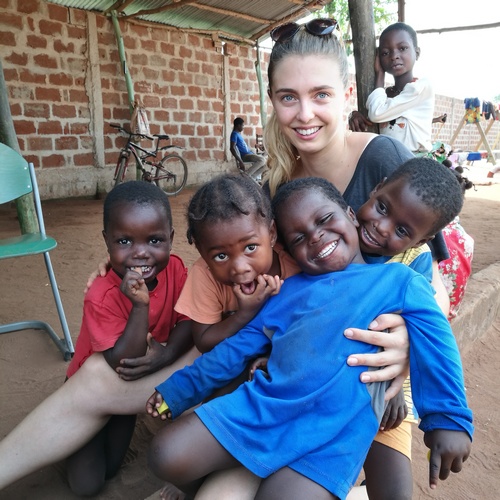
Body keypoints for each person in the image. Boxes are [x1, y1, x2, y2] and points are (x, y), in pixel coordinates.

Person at [146, 177, 473, 500]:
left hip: (335, 438)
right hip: (265, 411)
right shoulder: (286, 291)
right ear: (287, 249)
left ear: (350, 213)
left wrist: (449, 419)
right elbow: (234, 349)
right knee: (165, 454)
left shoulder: (399, 281)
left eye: (325, 220)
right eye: (299, 236)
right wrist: (179, 391)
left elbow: (436, 345)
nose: (316, 237)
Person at [260, 18, 452, 500]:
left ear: (347, 93)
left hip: (375, 370)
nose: (305, 113)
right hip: (311, 369)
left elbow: (434, 278)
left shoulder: (384, 158)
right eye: (289, 97)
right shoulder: (276, 184)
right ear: (274, 102)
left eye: (321, 94)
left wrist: (409, 341)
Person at [61, 181, 193, 496]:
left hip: (127, 392)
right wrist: (140, 306)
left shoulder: (175, 270)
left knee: (111, 468)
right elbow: (121, 359)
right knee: (86, 485)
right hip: (91, 392)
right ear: (107, 241)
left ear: (171, 239)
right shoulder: (100, 293)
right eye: (124, 240)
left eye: (154, 240)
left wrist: (167, 353)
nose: (140, 253)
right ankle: (63, 445)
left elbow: (190, 319)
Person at [348, 22, 434, 155]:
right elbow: (373, 120)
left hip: (414, 164)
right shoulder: (385, 96)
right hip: (389, 162)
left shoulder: (421, 87)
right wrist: (356, 116)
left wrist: (380, 75)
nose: (394, 56)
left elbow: (377, 113)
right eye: (385, 53)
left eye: (403, 48)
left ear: (417, 53)